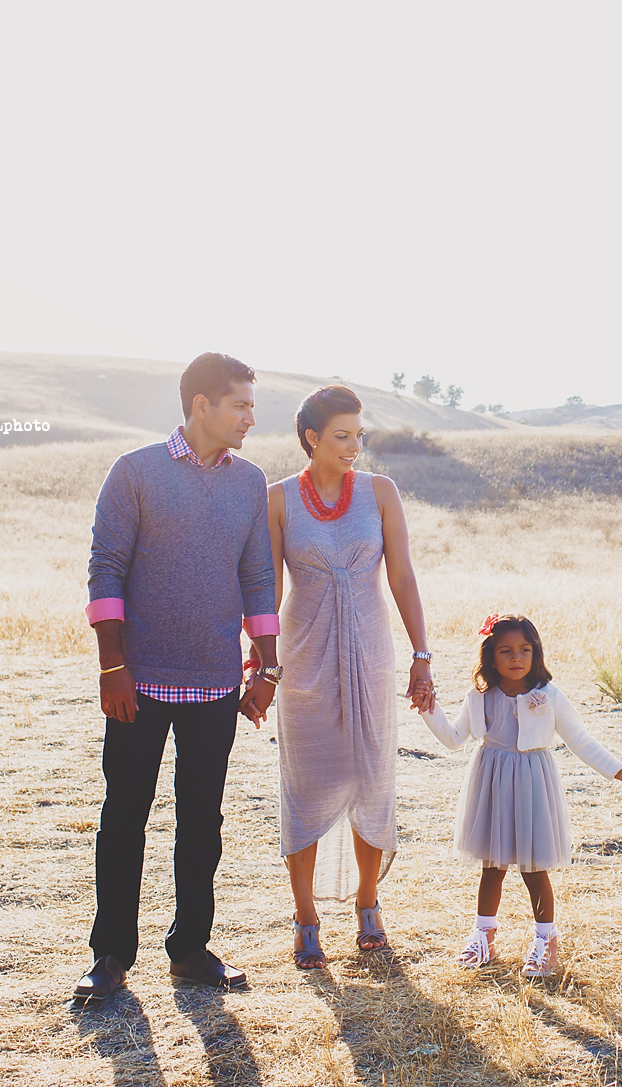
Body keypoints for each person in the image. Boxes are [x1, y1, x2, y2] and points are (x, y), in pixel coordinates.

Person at [73, 352, 279, 1002]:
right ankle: (110, 956)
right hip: (138, 681)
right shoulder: (135, 473)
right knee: (124, 816)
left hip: (215, 683)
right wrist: (113, 665)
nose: (251, 416)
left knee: (202, 821)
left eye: (251, 404)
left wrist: (266, 665)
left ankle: (190, 948)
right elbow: (106, 569)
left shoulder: (249, 482)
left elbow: (257, 579)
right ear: (201, 406)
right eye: (241, 404)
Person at [243, 385, 433, 970]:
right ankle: (305, 917)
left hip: (370, 648)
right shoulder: (276, 499)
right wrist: (264, 663)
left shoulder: (380, 493)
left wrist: (422, 653)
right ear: (311, 439)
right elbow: (267, 591)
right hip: (303, 651)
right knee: (306, 781)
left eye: (359, 435)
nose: (354, 446)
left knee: (370, 775)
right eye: (342, 436)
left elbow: (401, 574)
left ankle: (368, 905)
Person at [417, 614, 622, 977]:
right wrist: (428, 708)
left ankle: (546, 938)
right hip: (493, 783)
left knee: (535, 869)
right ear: (490, 657)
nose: (517, 658)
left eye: (524, 650)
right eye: (506, 651)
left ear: (536, 653)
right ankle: (484, 934)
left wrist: (621, 772)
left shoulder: (547, 696)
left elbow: (580, 740)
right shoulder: (480, 697)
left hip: (532, 782)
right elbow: (453, 738)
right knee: (492, 867)